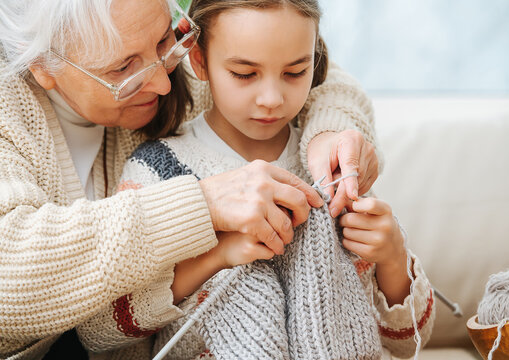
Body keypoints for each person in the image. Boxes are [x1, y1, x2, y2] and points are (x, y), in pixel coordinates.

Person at [0, 0, 382, 358]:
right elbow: (10, 275)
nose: (165, 84)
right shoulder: (9, 106)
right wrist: (203, 205)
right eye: (123, 70)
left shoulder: (183, 63)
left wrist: (332, 132)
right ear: (42, 65)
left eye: (166, 39)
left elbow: (319, 73)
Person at [82, 0, 435, 359]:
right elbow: (102, 331)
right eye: (245, 74)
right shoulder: (158, 171)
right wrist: (215, 256)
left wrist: (392, 257)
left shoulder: (331, 168)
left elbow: (406, 341)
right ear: (199, 61)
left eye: (295, 72)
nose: (271, 99)